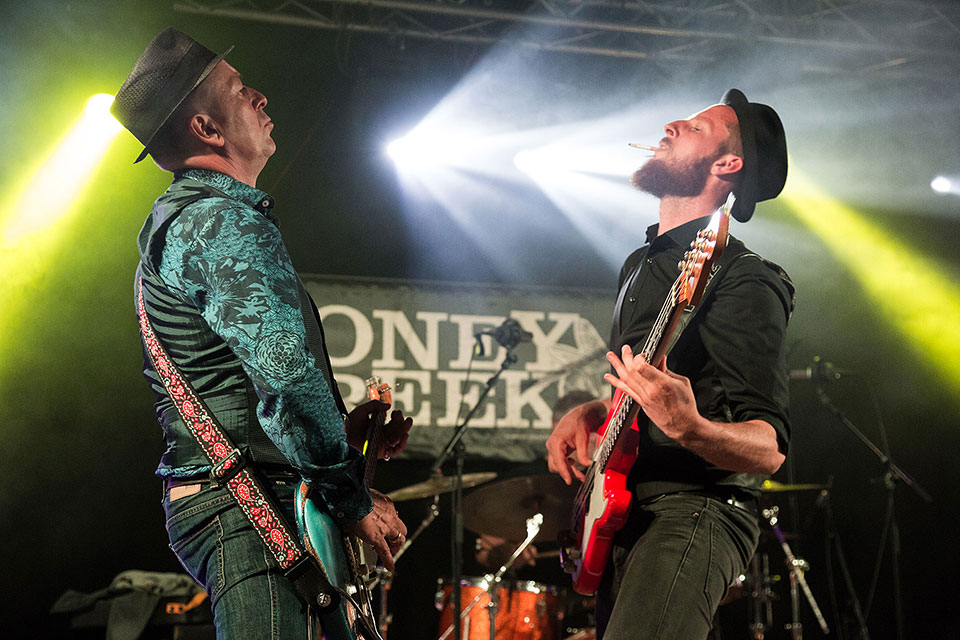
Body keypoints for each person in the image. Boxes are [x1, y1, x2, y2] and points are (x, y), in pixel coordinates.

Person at [111, 28, 411, 638]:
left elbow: (252, 380)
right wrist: (349, 498)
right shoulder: (218, 222)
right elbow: (286, 376)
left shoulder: (196, 220)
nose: (261, 97)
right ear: (206, 129)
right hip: (249, 503)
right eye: (239, 89)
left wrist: (342, 439)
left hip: (248, 495)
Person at [545, 89, 794, 640]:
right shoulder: (639, 264)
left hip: (697, 511)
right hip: (626, 517)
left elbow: (769, 448)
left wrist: (691, 427)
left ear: (727, 165)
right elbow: (646, 389)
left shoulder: (745, 278)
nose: (672, 124)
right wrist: (597, 411)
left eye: (698, 126)